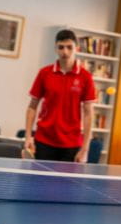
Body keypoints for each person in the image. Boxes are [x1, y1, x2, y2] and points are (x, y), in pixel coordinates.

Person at [24, 29, 96, 162]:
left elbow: (88, 114)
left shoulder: (86, 77)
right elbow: (32, 107)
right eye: (61, 47)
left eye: (69, 47)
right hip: (44, 141)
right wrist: (28, 136)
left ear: (77, 48)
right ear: (55, 48)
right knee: (40, 182)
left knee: (66, 183)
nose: (65, 52)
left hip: (72, 144)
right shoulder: (44, 73)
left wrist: (85, 148)